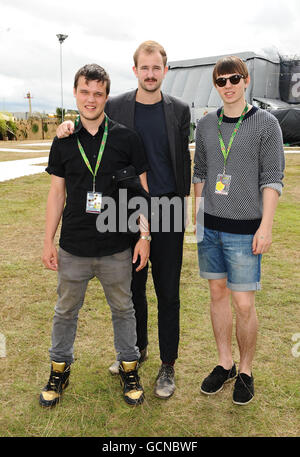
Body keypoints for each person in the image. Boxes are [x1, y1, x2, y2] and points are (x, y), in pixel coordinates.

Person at [56, 41, 191, 399]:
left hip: (168, 211)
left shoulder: (179, 110)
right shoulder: (115, 104)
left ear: (165, 70)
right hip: (124, 212)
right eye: (143, 68)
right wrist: (65, 125)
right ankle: (137, 351)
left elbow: (183, 162)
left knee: (168, 292)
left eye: (156, 68)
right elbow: (90, 118)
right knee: (133, 290)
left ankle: (168, 365)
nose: (149, 74)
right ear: (135, 71)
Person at [40, 63, 150, 408]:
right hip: (73, 246)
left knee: (124, 309)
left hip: (117, 246)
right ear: (75, 93)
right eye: (85, 92)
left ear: (106, 97)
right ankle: (59, 370)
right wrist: (47, 241)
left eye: (98, 93)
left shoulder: (126, 138)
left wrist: (144, 236)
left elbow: (141, 193)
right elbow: (56, 194)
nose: (91, 99)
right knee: (65, 311)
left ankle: (129, 369)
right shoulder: (63, 140)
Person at [193, 56, 285, 405]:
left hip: (247, 231)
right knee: (217, 296)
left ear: (246, 81)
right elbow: (199, 173)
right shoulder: (205, 125)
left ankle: (245, 370)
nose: (228, 86)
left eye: (234, 79)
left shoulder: (266, 124)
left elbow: (272, 178)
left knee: (244, 304)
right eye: (221, 81)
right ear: (215, 85)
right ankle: (225, 363)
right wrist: (197, 220)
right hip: (211, 229)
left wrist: (266, 226)